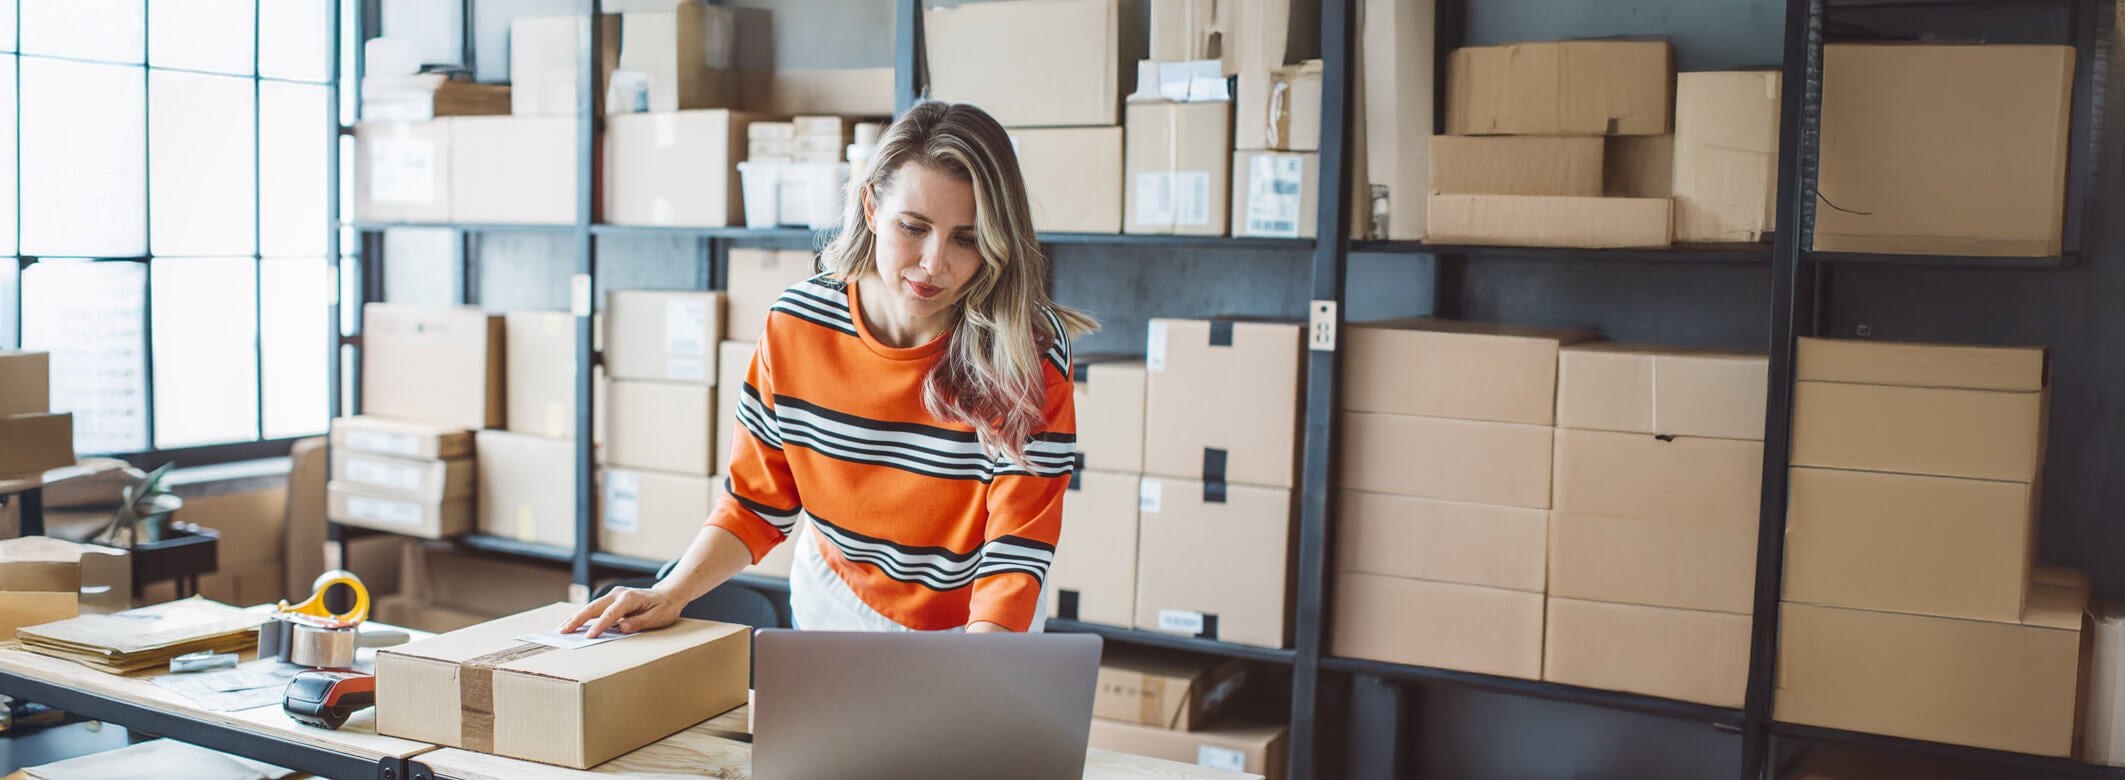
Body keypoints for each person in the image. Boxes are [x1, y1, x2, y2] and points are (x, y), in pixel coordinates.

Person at [561, 101, 1096, 637]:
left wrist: (977, 663)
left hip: (986, 616)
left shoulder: (1029, 349)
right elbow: (755, 502)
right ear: (870, 208)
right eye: (913, 227)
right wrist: (670, 591)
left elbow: (1016, 546)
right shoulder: (797, 325)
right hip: (838, 602)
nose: (934, 263)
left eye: (967, 238)